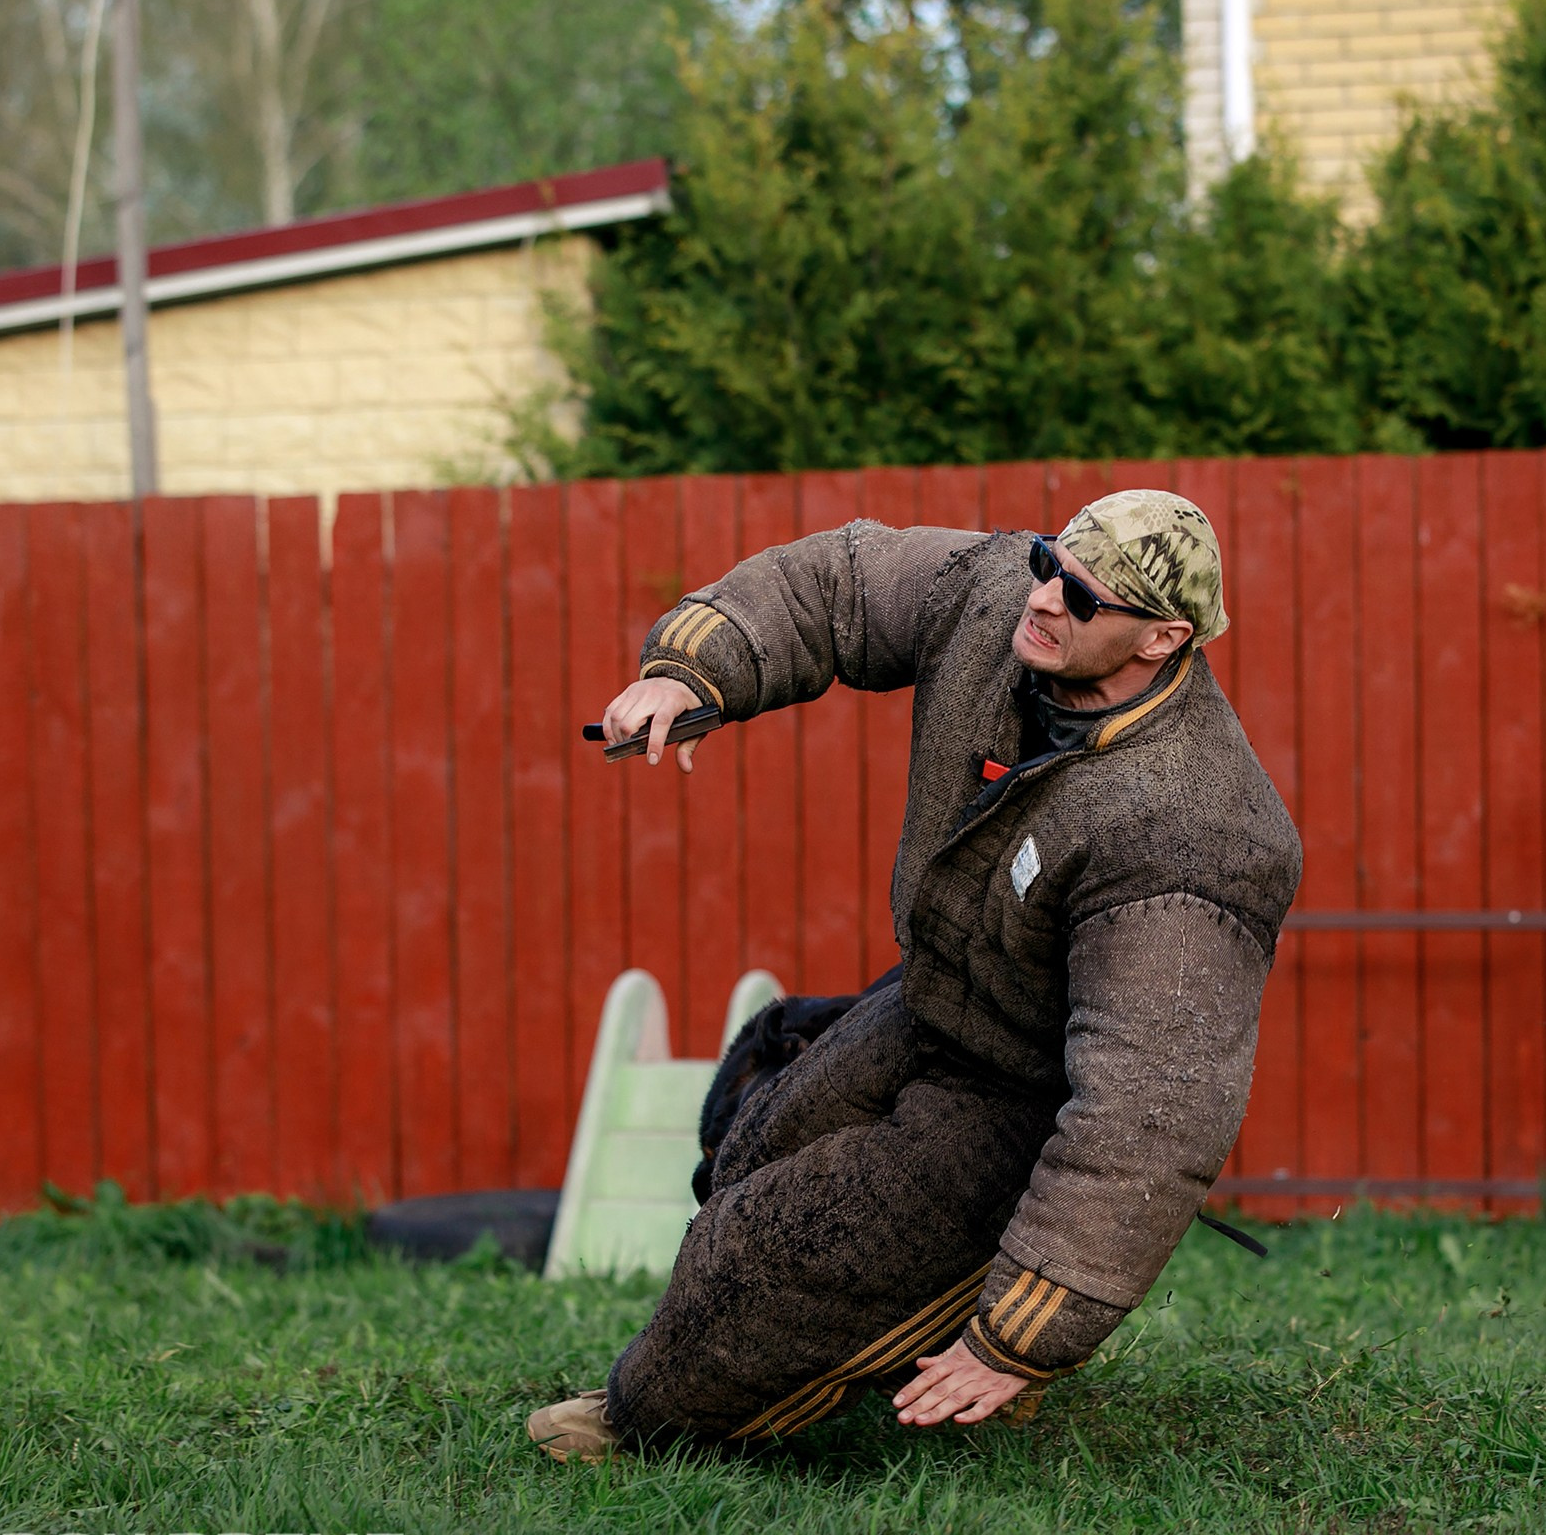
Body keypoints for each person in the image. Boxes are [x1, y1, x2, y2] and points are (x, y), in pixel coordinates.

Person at [528, 491, 1300, 1456]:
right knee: (752, 1142)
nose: (1047, 599)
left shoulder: (1195, 830)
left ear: (1162, 638)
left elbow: (1150, 1114)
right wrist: (691, 673)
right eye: (1048, 565)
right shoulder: (1000, 600)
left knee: (766, 1253)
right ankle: (900, 1318)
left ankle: (647, 1421)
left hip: (1030, 1102)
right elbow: (837, 583)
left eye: (1084, 599)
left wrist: (1021, 1339)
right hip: (937, 1004)